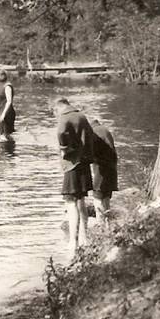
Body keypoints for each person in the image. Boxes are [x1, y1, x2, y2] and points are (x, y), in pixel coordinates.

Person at [55, 98, 95, 257]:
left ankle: (73, 241)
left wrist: (64, 149)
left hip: (72, 164)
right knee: (81, 200)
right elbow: (90, 135)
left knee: (70, 202)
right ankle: (85, 238)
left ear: (58, 107)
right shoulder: (82, 116)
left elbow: (60, 133)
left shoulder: (64, 117)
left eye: (55, 112)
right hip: (84, 164)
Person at [90, 117, 118, 223]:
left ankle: (100, 224)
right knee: (106, 199)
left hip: (101, 170)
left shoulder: (95, 132)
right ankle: (107, 225)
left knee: (98, 198)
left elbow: (91, 153)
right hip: (111, 169)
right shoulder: (104, 130)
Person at [0, 70, 16, 141]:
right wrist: (0, 113)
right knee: (3, 135)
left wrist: (3, 114)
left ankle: (7, 150)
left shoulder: (7, 87)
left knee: (4, 135)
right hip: (3, 111)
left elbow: (9, 101)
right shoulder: (4, 86)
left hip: (7, 113)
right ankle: (8, 149)